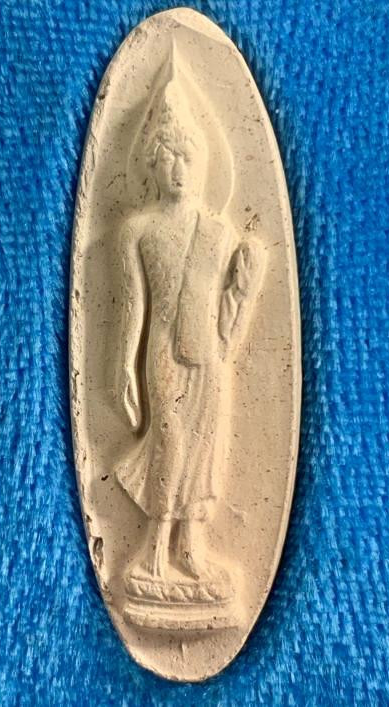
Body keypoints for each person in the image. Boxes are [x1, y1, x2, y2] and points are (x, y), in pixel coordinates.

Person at [115, 54, 264, 586]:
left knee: (204, 445)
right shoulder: (137, 230)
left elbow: (227, 315)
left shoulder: (219, 232)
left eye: (187, 158)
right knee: (171, 439)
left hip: (207, 355)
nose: (178, 170)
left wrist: (243, 285)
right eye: (168, 159)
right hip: (161, 353)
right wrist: (122, 368)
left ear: (201, 163)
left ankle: (191, 547)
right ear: (152, 166)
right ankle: (154, 545)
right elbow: (132, 306)